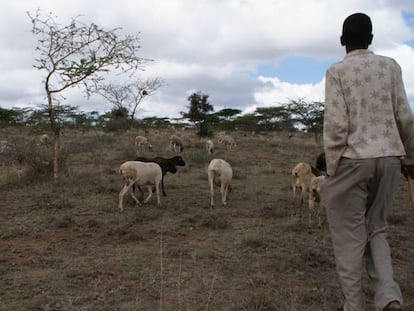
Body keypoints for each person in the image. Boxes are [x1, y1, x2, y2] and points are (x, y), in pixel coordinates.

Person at [321, 12, 414, 311]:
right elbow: (406, 118)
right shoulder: (391, 67)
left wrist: (332, 168)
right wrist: (410, 158)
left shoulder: (337, 72)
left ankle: (353, 307)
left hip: (352, 160)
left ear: (342, 41)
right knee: (377, 229)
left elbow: (336, 126)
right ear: (371, 40)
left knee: (349, 239)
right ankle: (389, 299)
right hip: (388, 159)